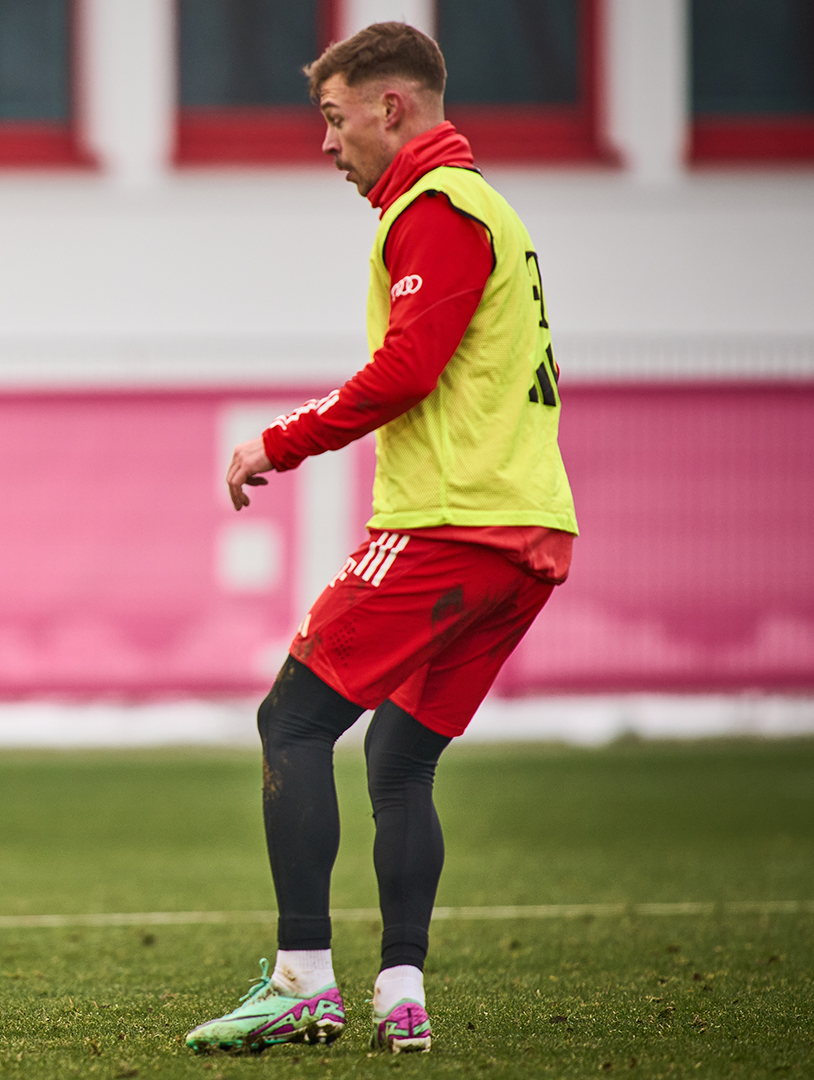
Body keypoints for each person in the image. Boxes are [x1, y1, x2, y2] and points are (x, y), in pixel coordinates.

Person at [184, 23, 577, 1056]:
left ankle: (302, 979)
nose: (327, 143)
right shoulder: (492, 209)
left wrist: (280, 441)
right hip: (526, 533)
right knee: (399, 759)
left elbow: (407, 369)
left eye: (333, 117)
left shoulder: (434, 205)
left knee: (293, 721)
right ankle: (403, 991)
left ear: (390, 108)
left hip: (453, 524)